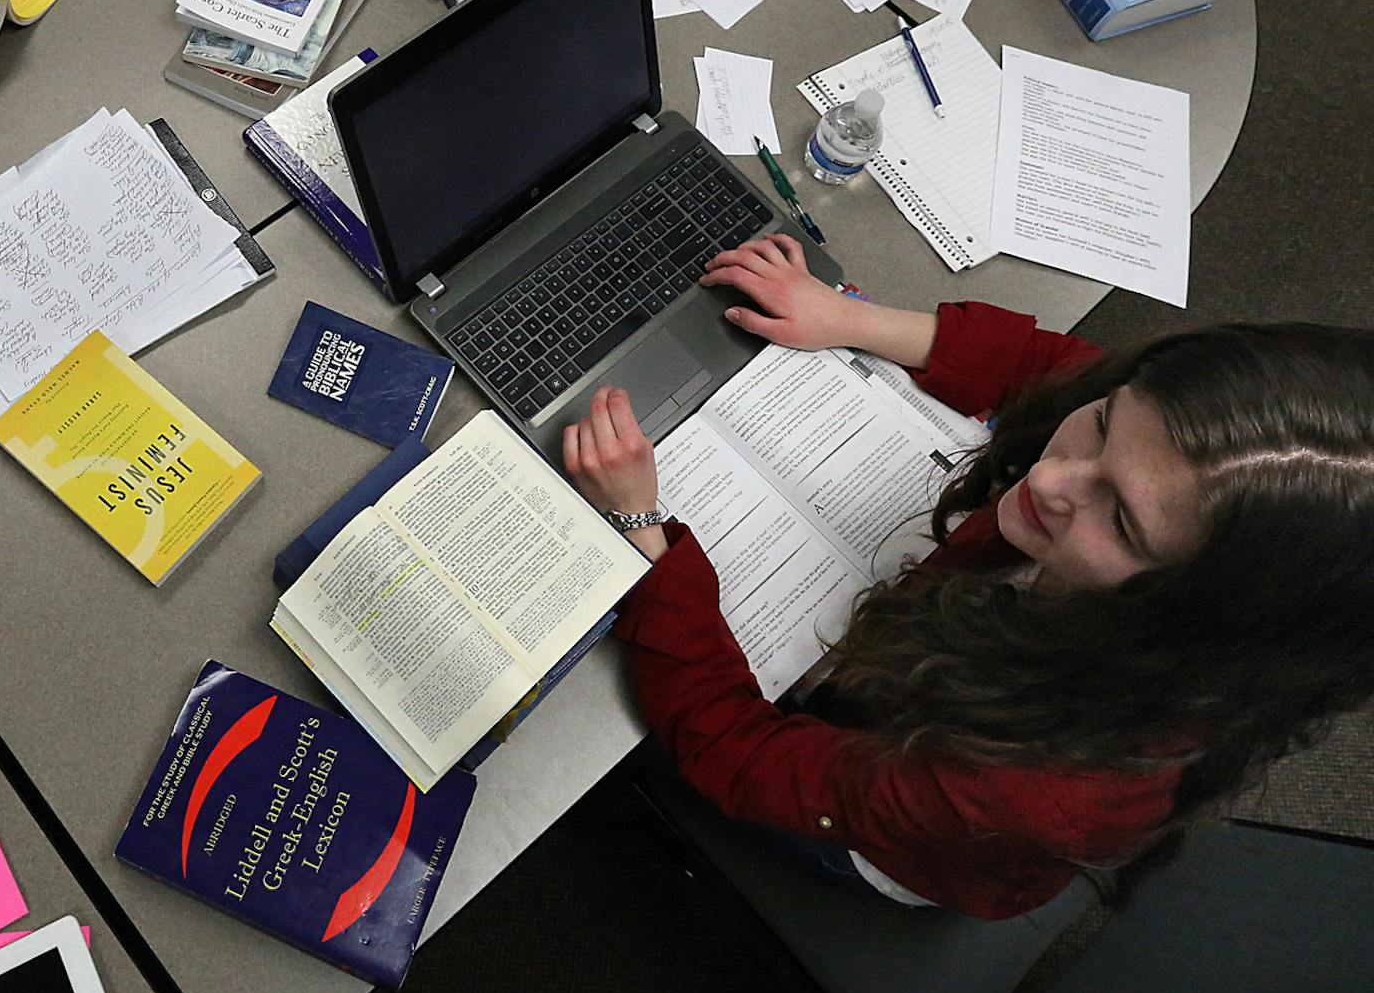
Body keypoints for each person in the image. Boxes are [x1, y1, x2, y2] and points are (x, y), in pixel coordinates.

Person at [563, 234, 1374, 919]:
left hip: (885, 824)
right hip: (915, 689)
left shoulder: (1043, 782)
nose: (1052, 484)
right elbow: (1059, 366)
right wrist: (846, 318)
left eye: (1120, 519)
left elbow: (742, 758)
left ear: (1201, 613)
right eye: (1099, 430)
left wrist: (643, 532)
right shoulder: (1163, 466)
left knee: (595, 730)